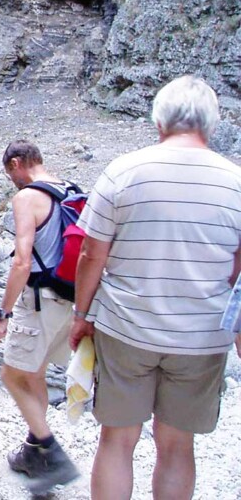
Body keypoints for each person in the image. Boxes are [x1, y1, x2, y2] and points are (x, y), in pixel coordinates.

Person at [70, 75, 241, 500]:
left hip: (127, 329)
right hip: (201, 337)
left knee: (117, 440)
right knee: (178, 446)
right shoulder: (236, 182)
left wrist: (81, 316)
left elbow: (92, 254)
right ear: (212, 124)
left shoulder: (124, 171)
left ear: (158, 119)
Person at [0, 140, 80, 489]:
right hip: (69, 300)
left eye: (9, 172)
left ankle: (53, 456)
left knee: (12, 376)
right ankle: (34, 450)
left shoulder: (26, 197)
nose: (11, 180)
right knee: (35, 374)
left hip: (39, 300)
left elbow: (22, 261)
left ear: (16, 163)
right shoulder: (69, 189)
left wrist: (4, 313)